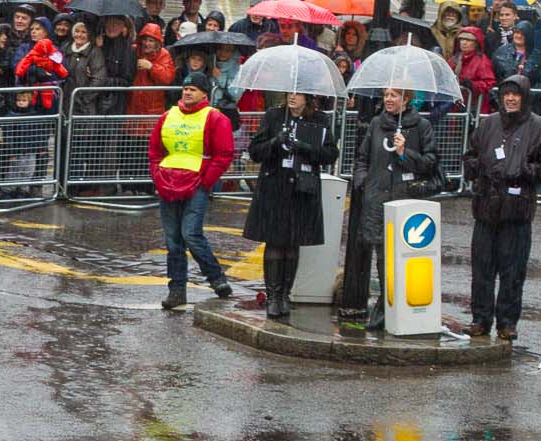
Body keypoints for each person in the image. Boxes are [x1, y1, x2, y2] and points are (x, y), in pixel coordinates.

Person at [464, 74, 541, 341]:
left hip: (516, 212)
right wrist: (475, 167)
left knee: (512, 272)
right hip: (485, 209)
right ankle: (480, 319)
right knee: (482, 270)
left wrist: (526, 170)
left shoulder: (538, 127)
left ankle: (507, 322)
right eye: (506, 93)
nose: (510, 98)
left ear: (525, 97)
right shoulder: (488, 125)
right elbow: (470, 154)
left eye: (516, 94)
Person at [241, 91, 338, 320]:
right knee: (275, 241)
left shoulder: (320, 120)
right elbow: (255, 151)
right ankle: (273, 296)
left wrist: (303, 147)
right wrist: (277, 142)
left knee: (294, 242)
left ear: (308, 97)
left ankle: (285, 294)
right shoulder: (274, 116)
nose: (293, 97)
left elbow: (330, 154)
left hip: (302, 188)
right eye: (290, 93)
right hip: (275, 186)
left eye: (298, 94)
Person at [351, 85, 439, 332]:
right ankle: (384, 307)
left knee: (402, 258)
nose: (388, 99)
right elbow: (362, 157)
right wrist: (363, 180)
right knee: (382, 257)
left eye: (393, 95)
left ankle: (393, 308)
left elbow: (430, 163)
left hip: (405, 199)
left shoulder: (421, 127)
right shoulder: (377, 124)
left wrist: (404, 153)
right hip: (377, 199)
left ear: (406, 99)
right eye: (386, 95)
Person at [152, 72, 236, 310]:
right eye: (185, 88)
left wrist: (205, 182)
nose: (187, 92)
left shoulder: (215, 118)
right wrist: (158, 175)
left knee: (191, 234)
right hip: (168, 183)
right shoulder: (168, 115)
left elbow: (224, 155)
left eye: (193, 89)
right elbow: (155, 151)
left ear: (204, 94)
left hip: (196, 184)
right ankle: (177, 290)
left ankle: (216, 277)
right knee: (173, 241)